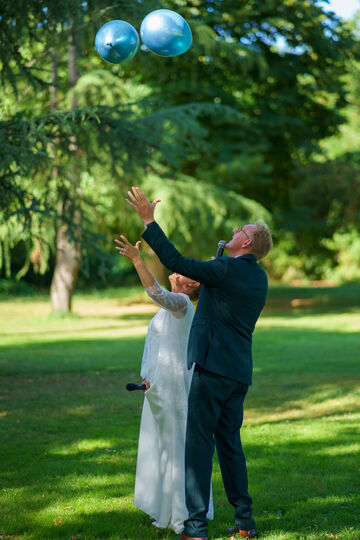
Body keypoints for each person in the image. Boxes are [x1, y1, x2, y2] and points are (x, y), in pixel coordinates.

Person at [125, 187, 273, 540]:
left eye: (242, 231)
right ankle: (244, 522)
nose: (236, 231)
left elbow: (176, 262)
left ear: (247, 244)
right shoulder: (257, 277)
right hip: (239, 373)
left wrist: (149, 221)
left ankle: (194, 527)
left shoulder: (226, 269)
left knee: (198, 444)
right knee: (230, 447)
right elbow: (210, 290)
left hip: (213, 371)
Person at [114, 234, 214, 534]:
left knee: (176, 449)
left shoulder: (182, 304)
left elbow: (155, 292)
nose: (177, 269)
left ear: (193, 285)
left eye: (184, 272)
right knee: (161, 448)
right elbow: (157, 346)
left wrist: (136, 259)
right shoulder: (174, 307)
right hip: (159, 389)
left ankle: (184, 517)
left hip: (175, 392)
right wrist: (147, 377)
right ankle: (167, 508)